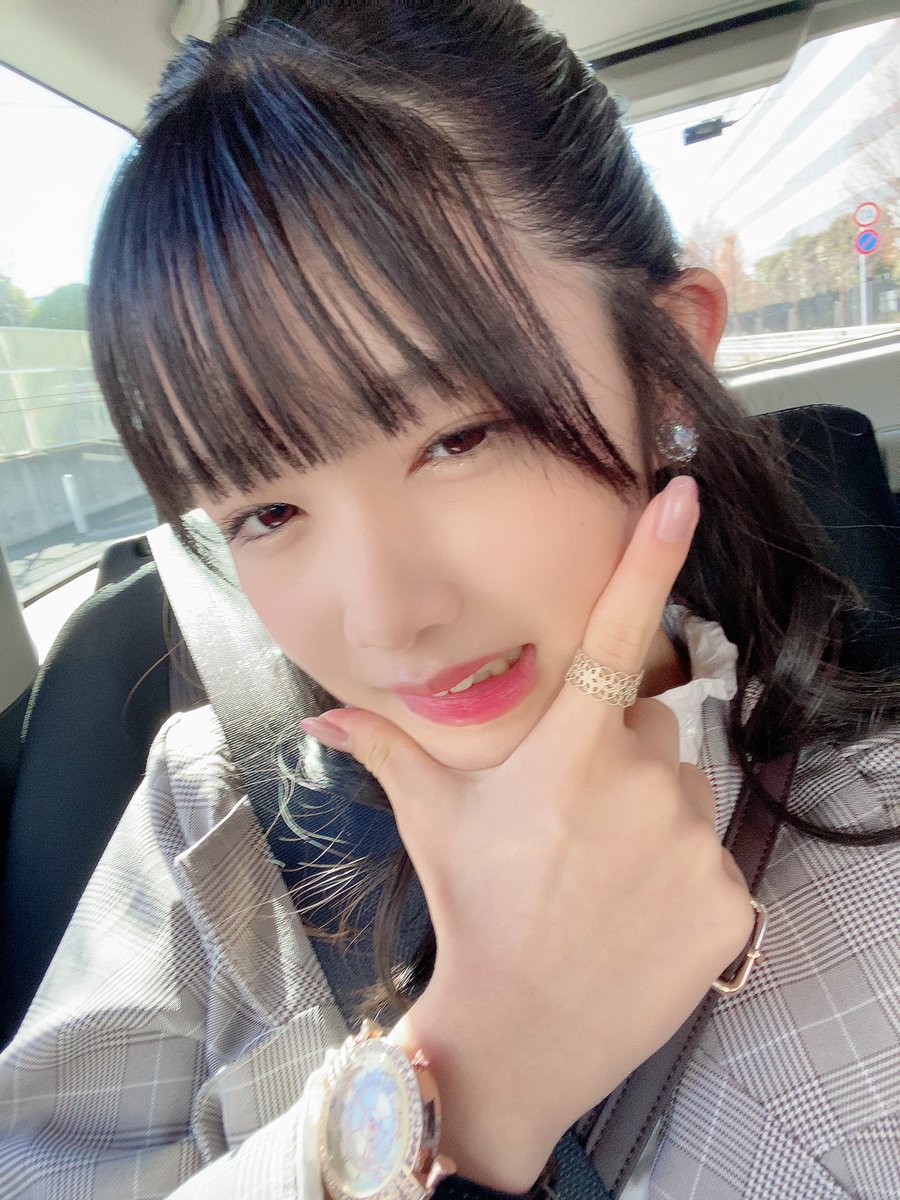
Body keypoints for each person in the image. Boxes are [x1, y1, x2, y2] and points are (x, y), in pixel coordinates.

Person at [0, 4, 897, 1198]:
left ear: (668, 373)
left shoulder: (876, 850)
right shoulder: (202, 819)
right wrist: (473, 1078)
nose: (383, 620)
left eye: (460, 437)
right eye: (265, 511)